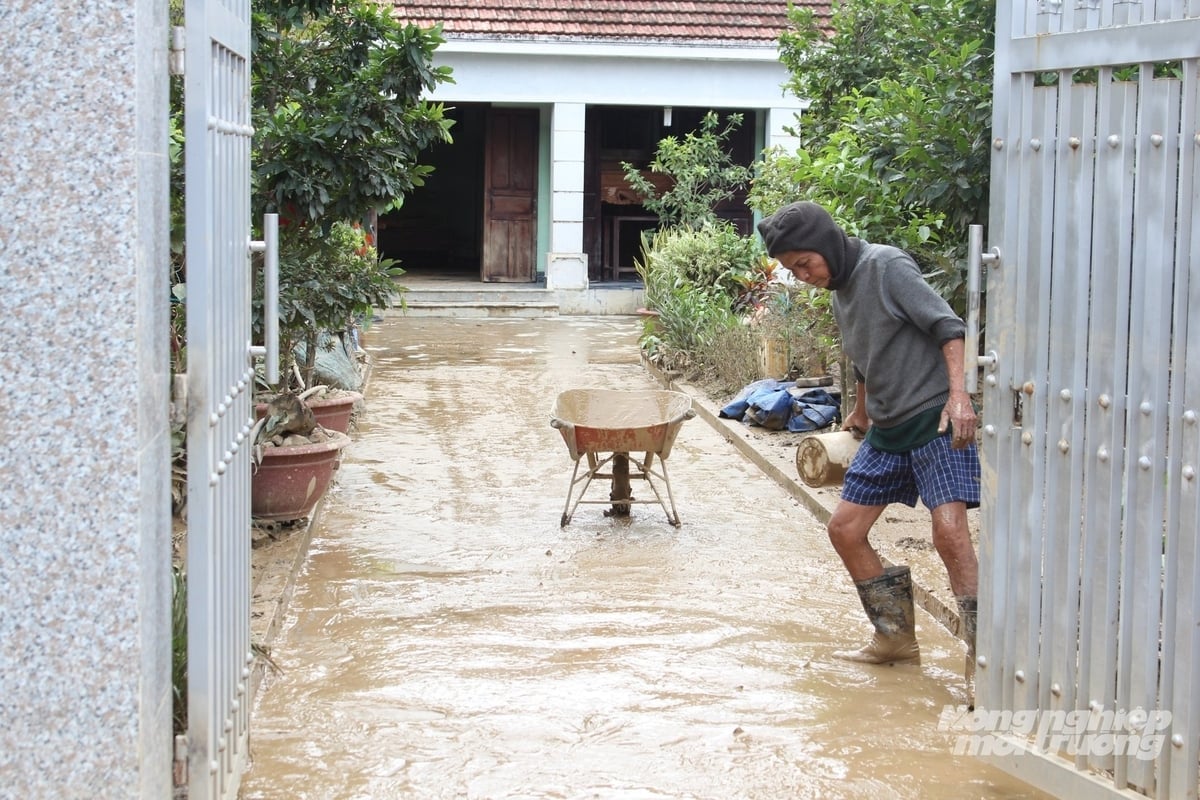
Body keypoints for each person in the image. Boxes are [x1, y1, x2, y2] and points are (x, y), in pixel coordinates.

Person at [757, 201, 979, 672]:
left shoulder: (886, 266)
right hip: (888, 426)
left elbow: (948, 327)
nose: (802, 276)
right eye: (793, 270)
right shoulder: (840, 289)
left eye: (804, 264)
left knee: (949, 533)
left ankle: (986, 658)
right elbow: (863, 356)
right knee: (845, 530)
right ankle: (895, 638)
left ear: (825, 245)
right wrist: (860, 410)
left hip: (933, 420)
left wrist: (959, 397)